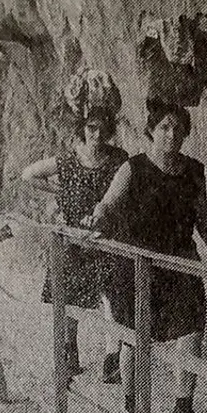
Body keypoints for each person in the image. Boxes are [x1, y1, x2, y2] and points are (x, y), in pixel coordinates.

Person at [84, 99, 207, 413]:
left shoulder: (193, 171)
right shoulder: (133, 168)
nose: (171, 135)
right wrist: (96, 219)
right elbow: (107, 203)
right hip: (137, 265)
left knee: (191, 329)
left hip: (179, 263)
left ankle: (182, 411)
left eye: (178, 129)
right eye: (164, 128)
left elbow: (202, 212)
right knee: (135, 336)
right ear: (151, 131)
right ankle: (134, 410)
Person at [21, 71, 127, 379]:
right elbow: (29, 175)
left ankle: (112, 358)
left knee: (113, 299)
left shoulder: (119, 159)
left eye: (102, 129)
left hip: (108, 239)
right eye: (91, 129)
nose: (96, 135)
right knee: (69, 298)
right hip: (73, 238)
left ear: (109, 130)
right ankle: (69, 351)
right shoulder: (68, 160)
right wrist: (59, 190)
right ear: (82, 129)